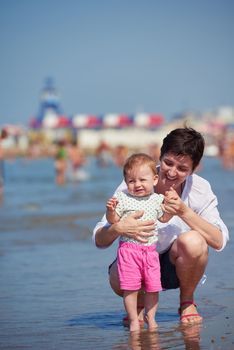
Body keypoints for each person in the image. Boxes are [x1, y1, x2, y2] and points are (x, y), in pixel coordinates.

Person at [93, 127, 229, 326]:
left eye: (182, 169)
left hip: (177, 266)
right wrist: (118, 228)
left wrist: (184, 211)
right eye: (168, 163)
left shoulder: (199, 188)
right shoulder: (136, 182)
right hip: (137, 263)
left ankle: (187, 302)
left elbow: (219, 241)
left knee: (194, 241)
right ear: (160, 155)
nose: (172, 172)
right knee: (117, 275)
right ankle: (139, 306)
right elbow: (99, 239)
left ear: (194, 168)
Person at [106, 153, 174, 332]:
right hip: (129, 251)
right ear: (126, 182)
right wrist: (110, 211)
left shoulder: (157, 199)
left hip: (150, 252)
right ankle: (134, 319)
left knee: (152, 288)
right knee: (130, 288)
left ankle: (151, 318)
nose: (137, 185)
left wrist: (172, 210)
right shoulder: (122, 198)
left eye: (142, 180)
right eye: (131, 181)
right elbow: (114, 221)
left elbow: (165, 218)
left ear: (154, 179)